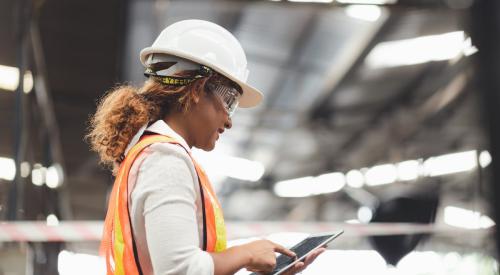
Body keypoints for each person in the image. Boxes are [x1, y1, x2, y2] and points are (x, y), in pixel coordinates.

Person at [86, 19, 324, 275]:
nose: (230, 120)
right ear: (199, 88)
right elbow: (180, 270)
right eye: (229, 101)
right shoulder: (165, 160)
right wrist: (245, 253)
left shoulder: (150, 154)